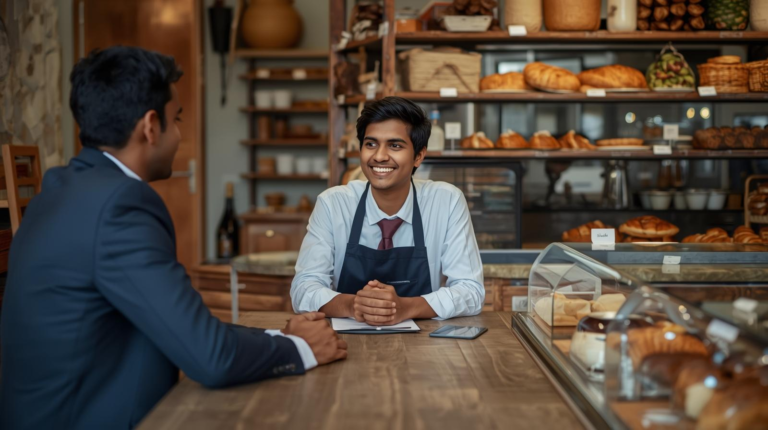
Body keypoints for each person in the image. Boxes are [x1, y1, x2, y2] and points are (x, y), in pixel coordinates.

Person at [0, 46, 346, 429]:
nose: (179, 134)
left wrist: (280, 334)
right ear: (150, 126)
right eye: (176, 119)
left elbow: (175, 323)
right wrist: (301, 348)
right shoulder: (120, 204)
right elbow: (210, 358)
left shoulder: (62, 188)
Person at [291, 97, 484, 326]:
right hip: (344, 343)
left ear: (419, 156)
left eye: (395, 145)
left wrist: (405, 307)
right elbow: (303, 289)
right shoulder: (334, 204)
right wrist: (354, 305)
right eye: (371, 144)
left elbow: (471, 291)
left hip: (425, 347)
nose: (379, 156)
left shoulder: (446, 201)